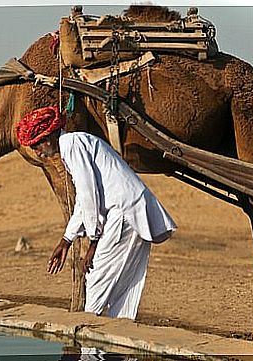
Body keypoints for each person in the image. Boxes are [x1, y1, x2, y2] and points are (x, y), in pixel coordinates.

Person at [16, 105, 177, 320]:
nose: (38, 153)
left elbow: (89, 195)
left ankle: (89, 346)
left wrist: (94, 242)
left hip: (123, 214)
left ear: (48, 138)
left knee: (96, 278)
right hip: (126, 213)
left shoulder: (73, 145)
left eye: (36, 146)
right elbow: (84, 201)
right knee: (119, 288)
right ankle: (112, 346)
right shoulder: (76, 144)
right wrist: (67, 240)